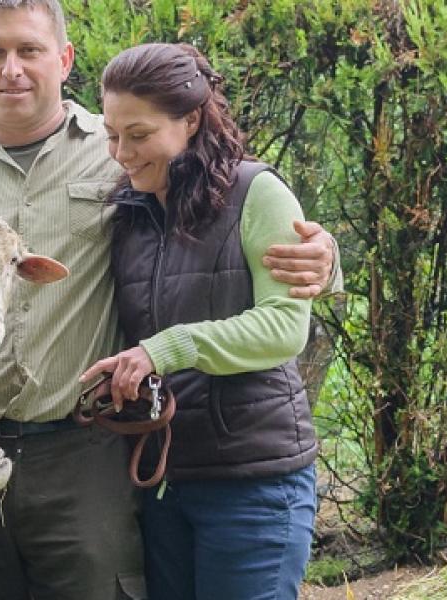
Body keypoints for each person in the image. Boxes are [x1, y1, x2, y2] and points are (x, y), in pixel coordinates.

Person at [0, 2, 338, 598]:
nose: (12, 70)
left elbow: (221, 217)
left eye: (29, 50)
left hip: (85, 454)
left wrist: (322, 260)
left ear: (63, 59)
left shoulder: (121, 150)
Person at [80, 43, 327, 600]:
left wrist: (165, 348)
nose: (121, 152)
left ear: (191, 120)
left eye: (139, 135)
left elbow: (285, 329)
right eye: (112, 135)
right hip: (166, 484)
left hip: (256, 483)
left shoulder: (256, 192)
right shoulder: (131, 213)